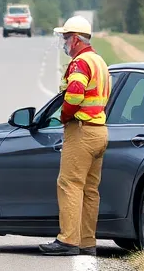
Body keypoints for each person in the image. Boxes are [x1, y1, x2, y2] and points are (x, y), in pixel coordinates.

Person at [40, 16, 112, 256]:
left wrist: (64, 116)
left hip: (81, 130)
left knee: (69, 184)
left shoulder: (80, 63)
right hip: (100, 130)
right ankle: (87, 241)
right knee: (90, 189)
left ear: (74, 39)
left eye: (65, 38)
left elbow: (74, 95)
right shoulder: (99, 62)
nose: (64, 43)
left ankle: (68, 240)